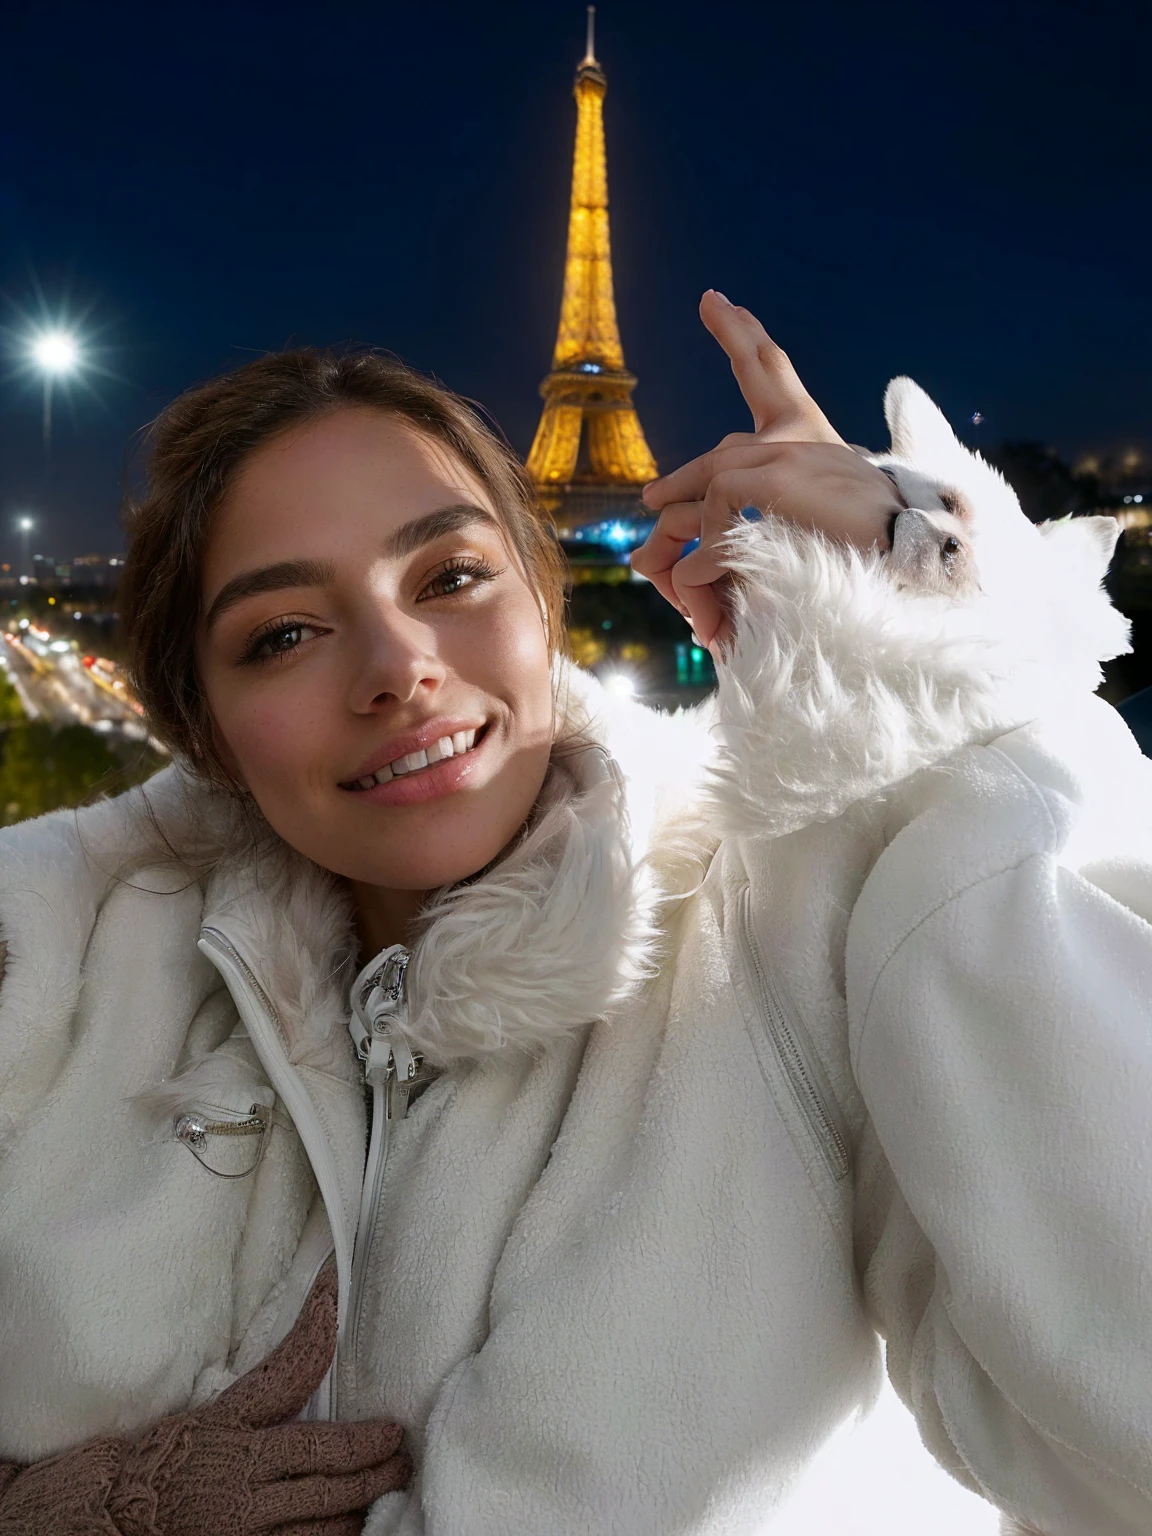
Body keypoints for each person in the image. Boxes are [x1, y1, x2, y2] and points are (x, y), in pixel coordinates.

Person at [0, 290, 1149, 1536]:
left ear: (544, 600)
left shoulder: (779, 920)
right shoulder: (54, 970)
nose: (400, 667)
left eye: (450, 573)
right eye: (283, 633)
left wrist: (949, 686)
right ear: (202, 727)